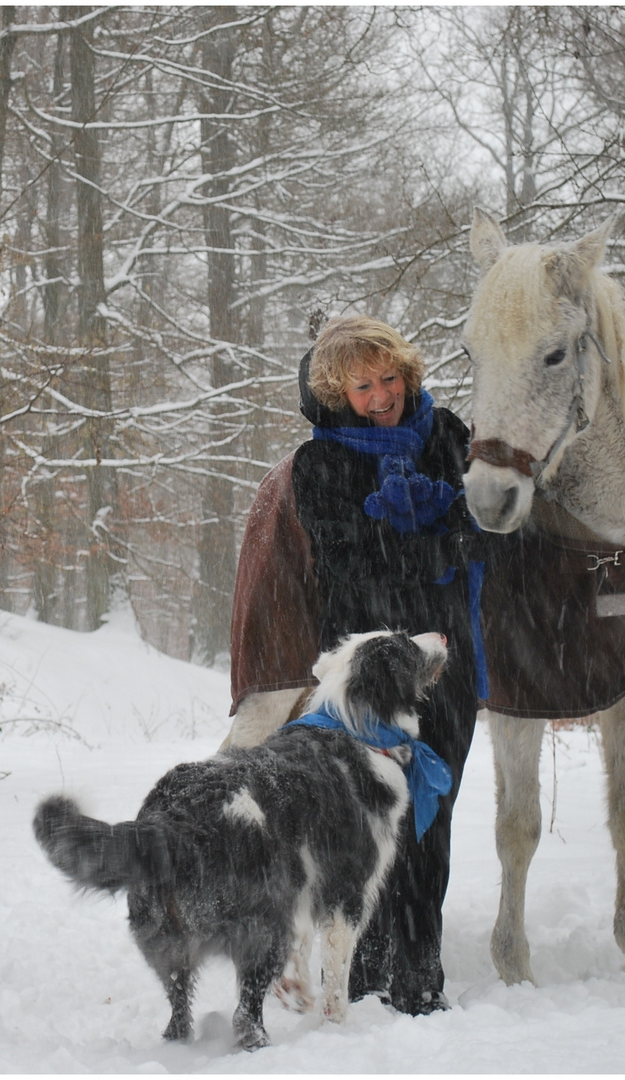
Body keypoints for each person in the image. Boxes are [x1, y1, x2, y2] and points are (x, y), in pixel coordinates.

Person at [222, 314, 482, 1015]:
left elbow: (483, 525)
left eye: (390, 378)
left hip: (445, 658)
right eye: (363, 385)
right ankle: (363, 970)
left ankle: (420, 972)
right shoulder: (323, 465)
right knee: (364, 818)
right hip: (366, 673)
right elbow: (352, 570)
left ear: (408, 373)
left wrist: (448, 544)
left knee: (433, 812)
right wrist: (438, 552)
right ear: (339, 391)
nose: (381, 396)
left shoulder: (448, 437)